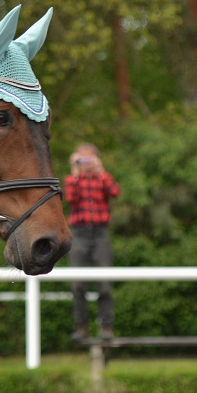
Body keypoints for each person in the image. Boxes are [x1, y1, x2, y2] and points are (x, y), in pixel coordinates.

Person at [65, 143, 121, 341]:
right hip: (79, 234)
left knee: (104, 283)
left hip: (100, 234)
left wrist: (101, 169)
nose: (86, 164)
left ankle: (106, 327)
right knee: (78, 284)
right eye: (83, 159)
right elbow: (70, 197)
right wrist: (75, 170)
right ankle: (81, 328)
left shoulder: (102, 178)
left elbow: (115, 192)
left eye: (90, 159)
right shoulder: (73, 180)